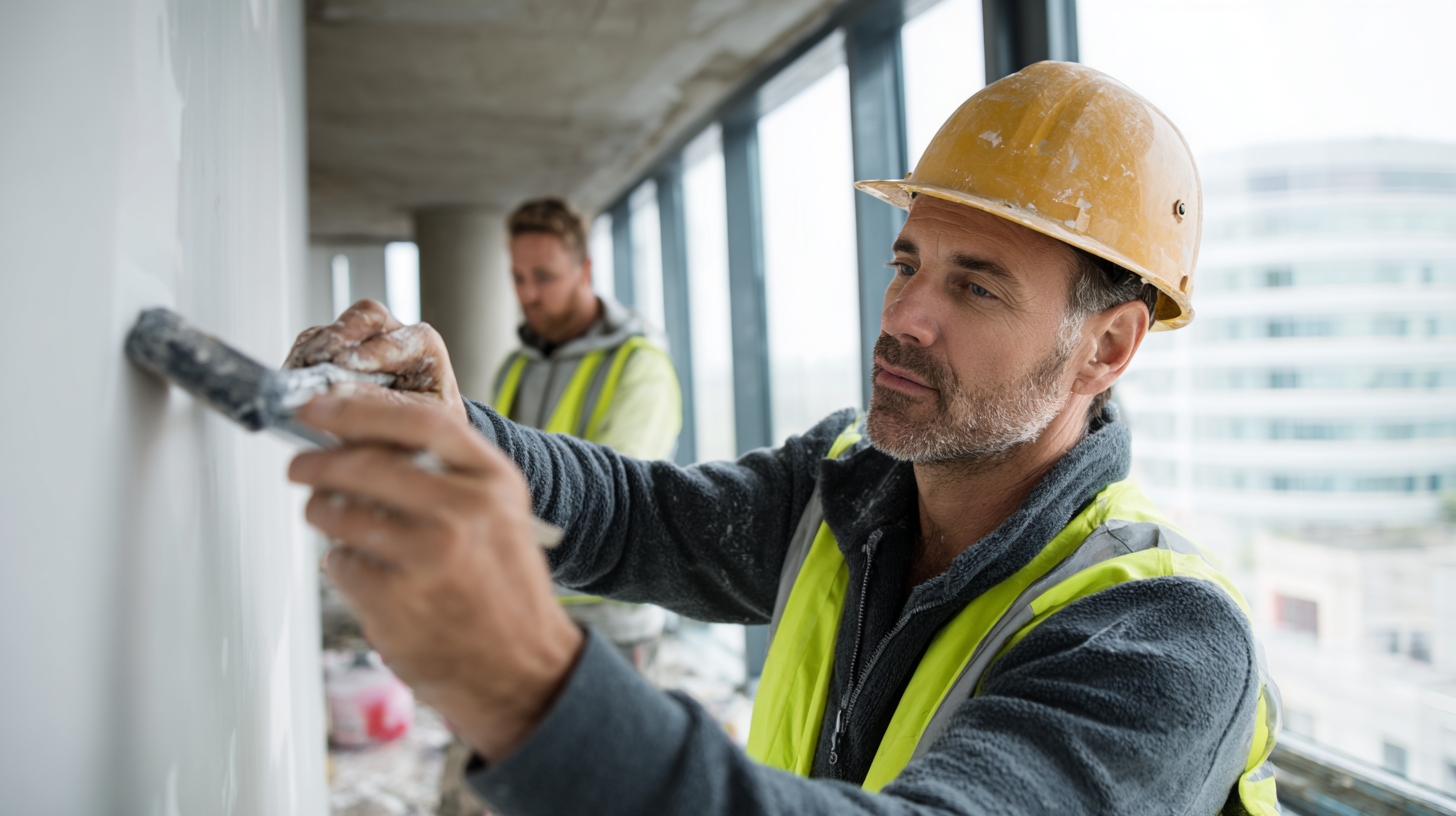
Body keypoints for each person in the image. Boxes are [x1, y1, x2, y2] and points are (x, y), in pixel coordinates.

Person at [284, 62, 1281, 816]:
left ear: (1106, 347)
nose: (903, 316)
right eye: (905, 264)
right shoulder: (854, 481)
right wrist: (457, 430)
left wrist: (531, 692)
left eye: (975, 286)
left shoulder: (1159, 638)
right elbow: (647, 516)